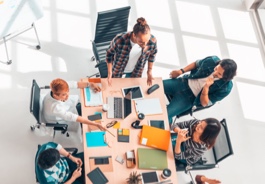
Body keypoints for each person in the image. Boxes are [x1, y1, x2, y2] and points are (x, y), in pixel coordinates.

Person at [163, 55, 237, 123]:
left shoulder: (226, 88)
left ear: (225, 77)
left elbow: (204, 103)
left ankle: (167, 127)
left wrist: (206, 87)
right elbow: (196, 64)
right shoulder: (212, 60)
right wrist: (180, 71)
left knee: (165, 115)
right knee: (154, 85)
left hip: (189, 98)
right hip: (183, 82)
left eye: (219, 74)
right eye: (216, 68)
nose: (215, 72)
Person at [106, 17, 157, 86]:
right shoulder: (120, 39)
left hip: (137, 71)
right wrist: (109, 72)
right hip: (119, 70)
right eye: (141, 42)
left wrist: (149, 70)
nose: (145, 45)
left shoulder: (152, 40)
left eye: (147, 41)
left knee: (132, 91)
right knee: (116, 90)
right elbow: (109, 54)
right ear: (134, 35)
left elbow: (152, 54)